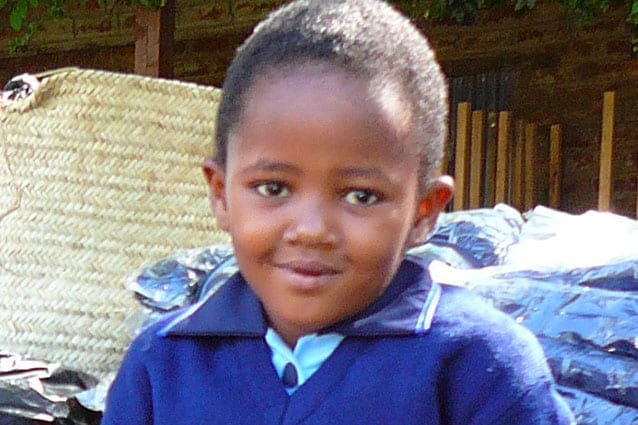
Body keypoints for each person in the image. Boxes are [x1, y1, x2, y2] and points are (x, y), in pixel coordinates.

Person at [102, 0, 575, 423]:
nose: (311, 231)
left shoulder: (479, 367)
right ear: (222, 194)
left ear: (424, 212)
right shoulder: (162, 365)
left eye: (360, 196)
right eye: (273, 187)